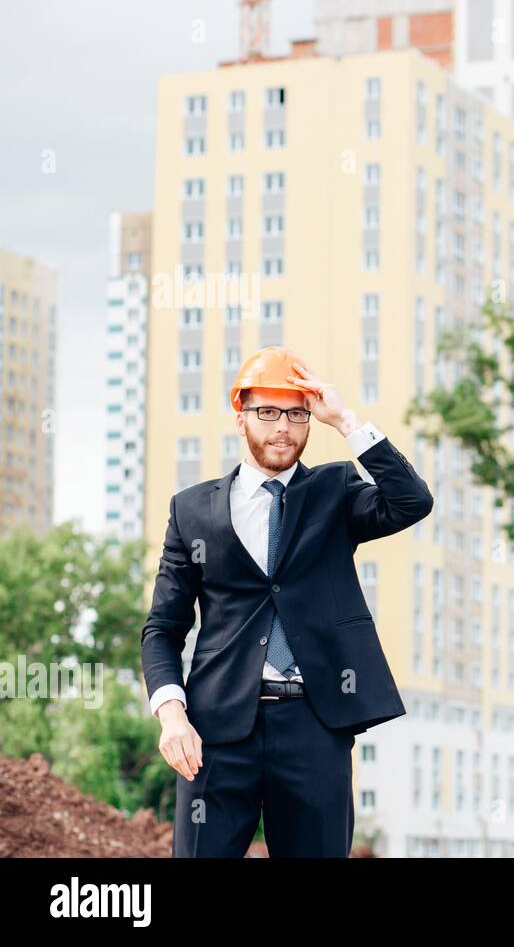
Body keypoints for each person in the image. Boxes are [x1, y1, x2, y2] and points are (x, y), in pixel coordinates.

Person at [140, 346, 433, 857]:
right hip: (215, 731)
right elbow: (163, 628)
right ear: (241, 416)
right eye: (268, 412)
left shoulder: (335, 490)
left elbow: (412, 501)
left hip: (315, 727)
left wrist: (345, 420)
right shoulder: (191, 511)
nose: (283, 427)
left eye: (296, 414)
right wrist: (171, 714)